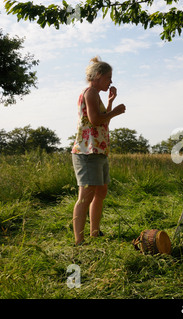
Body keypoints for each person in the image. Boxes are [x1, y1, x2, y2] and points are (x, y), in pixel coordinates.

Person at [71, 56, 126, 246]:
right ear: (98, 75)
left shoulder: (96, 94)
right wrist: (116, 111)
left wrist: (110, 103)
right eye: (109, 77)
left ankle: (94, 232)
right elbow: (95, 120)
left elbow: (104, 120)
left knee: (100, 191)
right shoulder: (90, 93)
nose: (111, 81)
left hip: (98, 151)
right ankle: (79, 240)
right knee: (86, 195)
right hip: (87, 152)